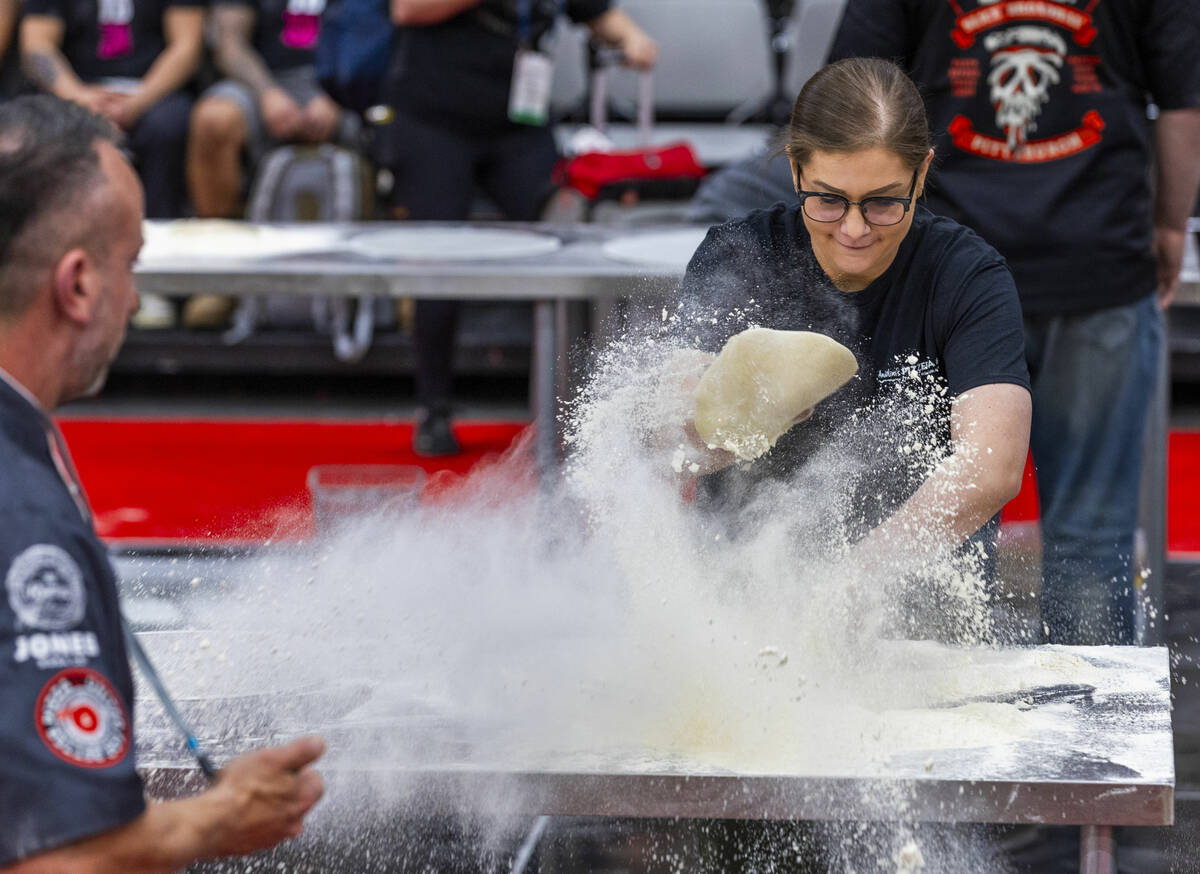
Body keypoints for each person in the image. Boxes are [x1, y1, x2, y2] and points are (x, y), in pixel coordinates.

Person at [0, 95, 324, 872]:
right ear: (78, 285)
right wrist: (216, 819)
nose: (137, 297)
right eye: (131, 264)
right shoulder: (25, 519)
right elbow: (54, 863)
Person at [828, 0, 1200, 645]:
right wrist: (1169, 224)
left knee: (944, 538)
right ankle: (1090, 711)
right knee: (1091, 539)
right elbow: (1183, 106)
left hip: (943, 279)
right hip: (1091, 265)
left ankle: (936, 709)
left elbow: (854, 99)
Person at [674, 57, 1032, 594]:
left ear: (922, 174)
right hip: (740, 595)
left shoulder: (965, 277)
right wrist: (723, 423)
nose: (855, 229)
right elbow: (670, 430)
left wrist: (848, 586)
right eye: (828, 200)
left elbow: (990, 467)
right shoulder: (739, 259)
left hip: (916, 601)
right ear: (796, 169)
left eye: (884, 202)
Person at [380, 0, 658, 457]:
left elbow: (594, 10)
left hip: (518, 123)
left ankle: (572, 404)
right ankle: (433, 406)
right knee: (437, 257)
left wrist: (631, 37)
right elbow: (408, 9)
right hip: (434, 119)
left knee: (568, 237)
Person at [19, 0, 205, 219]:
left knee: (168, 126)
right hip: (76, 90)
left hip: (152, 91)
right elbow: (38, 46)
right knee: (45, 125)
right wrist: (79, 97)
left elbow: (186, 47)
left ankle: (161, 225)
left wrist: (135, 103)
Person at [187, 0, 352, 219]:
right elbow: (229, 44)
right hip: (263, 79)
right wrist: (267, 93)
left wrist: (337, 96)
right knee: (214, 119)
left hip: (348, 82)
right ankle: (218, 231)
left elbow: (374, 36)